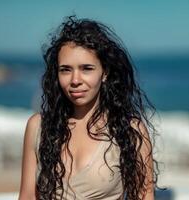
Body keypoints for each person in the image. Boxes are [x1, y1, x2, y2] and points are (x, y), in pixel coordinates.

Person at [19, 16, 159, 200]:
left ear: (105, 72)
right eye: (66, 70)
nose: (75, 80)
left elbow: (143, 195)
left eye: (86, 68)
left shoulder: (130, 131)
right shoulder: (39, 127)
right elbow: (27, 197)